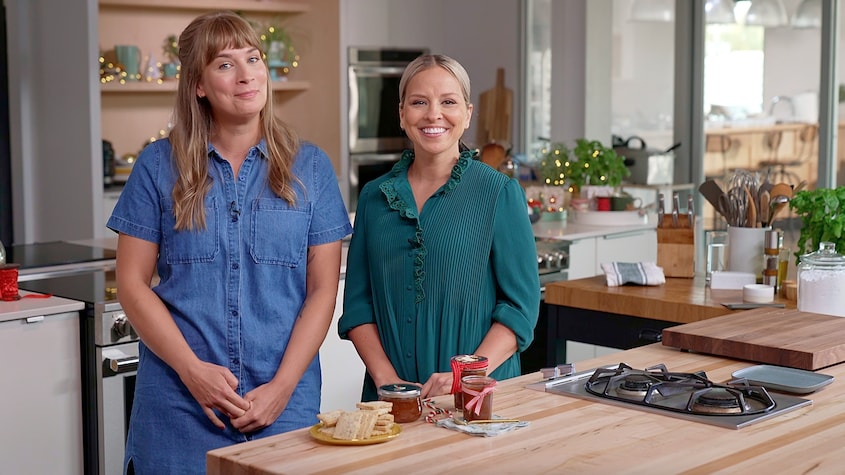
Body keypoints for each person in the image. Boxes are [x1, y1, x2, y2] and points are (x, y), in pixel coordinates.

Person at [107, 11, 352, 474]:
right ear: (198, 84)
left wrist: (282, 387)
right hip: (179, 405)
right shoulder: (158, 167)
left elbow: (323, 291)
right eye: (224, 64)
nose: (247, 75)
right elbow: (132, 284)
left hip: (283, 406)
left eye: (253, 58)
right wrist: (192, 372)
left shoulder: (311, 168)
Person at [338, 54, 540, 403]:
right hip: (390, 400)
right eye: (419, 102)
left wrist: (467, 375)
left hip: (477, 398)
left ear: (467, 114)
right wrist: (389, 382)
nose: (434, 114)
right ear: (402, 114)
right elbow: (357, 307)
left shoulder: (499, 194)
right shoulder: (373, 198)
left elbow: (520, 310)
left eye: (448, 102)